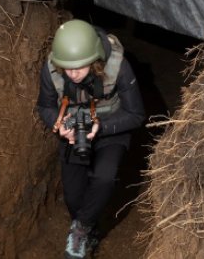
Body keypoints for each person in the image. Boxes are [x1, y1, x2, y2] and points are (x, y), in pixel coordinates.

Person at [36, 19, 146, 259]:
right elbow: (44, 106)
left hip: (110, 128)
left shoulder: (118, 66)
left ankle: (81, 230)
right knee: (73, 197)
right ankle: (89, 227)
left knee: (104, 177)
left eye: (80, 67)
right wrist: (59, 124)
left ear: (95, 59)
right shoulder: (53, 69)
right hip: (74, 133)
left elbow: (136, 114)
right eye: (67, 67)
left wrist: (102, 127)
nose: (72, 74)